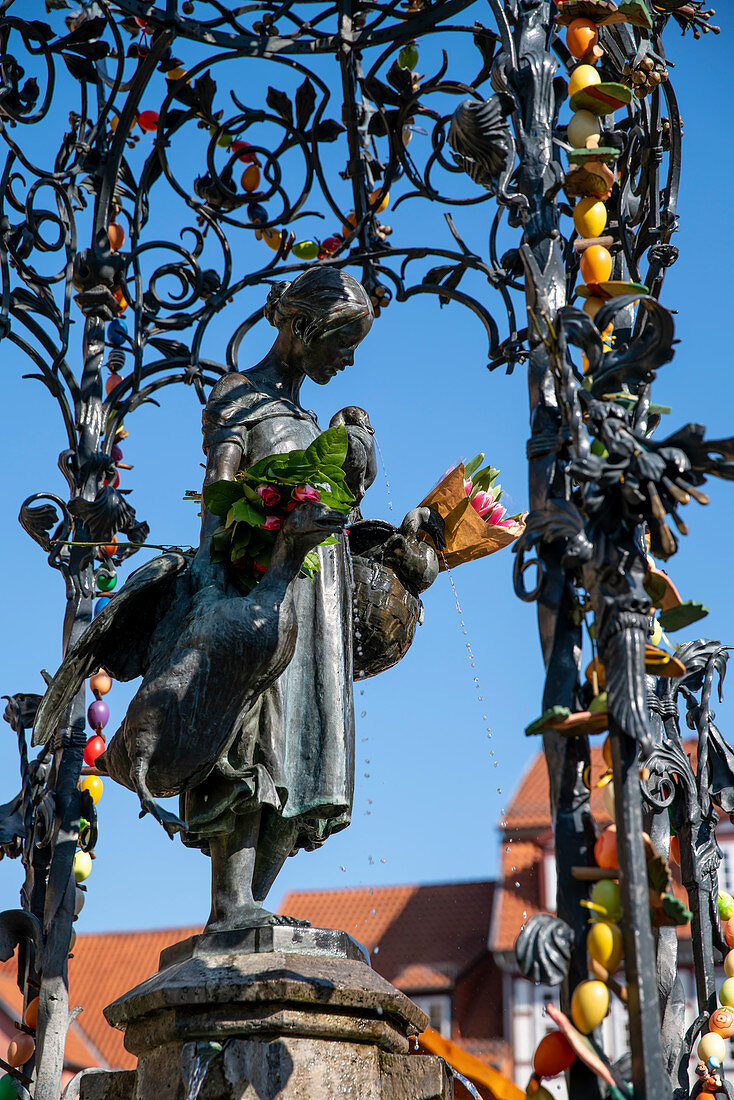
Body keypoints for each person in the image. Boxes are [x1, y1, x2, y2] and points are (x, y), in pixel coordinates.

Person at [184, 267, 376, 930]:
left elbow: (337, 508)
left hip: (316, 598)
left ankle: (251, 902)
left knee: (302, 746)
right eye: (339, 341)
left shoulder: (309, 416)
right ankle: (229, 904)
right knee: (252, 738)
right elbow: (218, 500)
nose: (346, 359)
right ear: (298, 328)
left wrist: (353, 469)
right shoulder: (238, 397)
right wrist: (224, 587)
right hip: (259, 587)